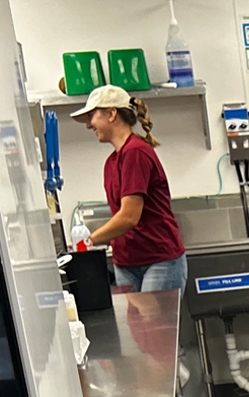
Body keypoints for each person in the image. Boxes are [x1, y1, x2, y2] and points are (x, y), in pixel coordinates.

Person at [71, 84, 186, 292]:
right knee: (134, 326)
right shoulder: (112, 162)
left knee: (155, 325)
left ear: (111, 114)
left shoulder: (136, 152)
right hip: (126, 263)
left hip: (158, 261)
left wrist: (86, 242)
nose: (88, 125)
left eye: (92, 116)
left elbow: (129, 217)